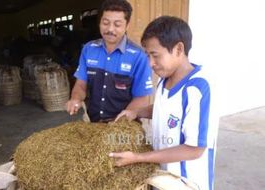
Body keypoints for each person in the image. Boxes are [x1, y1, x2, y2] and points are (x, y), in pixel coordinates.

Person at [110, 16, 218, 190]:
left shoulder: (198, 89)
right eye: (148, 56)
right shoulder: (164, 79)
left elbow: (195, 149)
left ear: (178, 49)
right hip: (163, 177)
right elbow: (164, 110)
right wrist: (137, 112)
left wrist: (138, 157)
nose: (151, 63)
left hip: (186, 182)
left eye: (155, 55)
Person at [66, 0, 153, 122]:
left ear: (127, 25)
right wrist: (75, 98)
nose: (110, 29)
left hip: (124, 125)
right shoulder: (88, 49)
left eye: (117, 24)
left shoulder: (139, 56)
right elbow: (81, 84)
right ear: (100, 22)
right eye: (105, 23)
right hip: (93, 123)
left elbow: (141, 98)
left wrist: (120, 123)